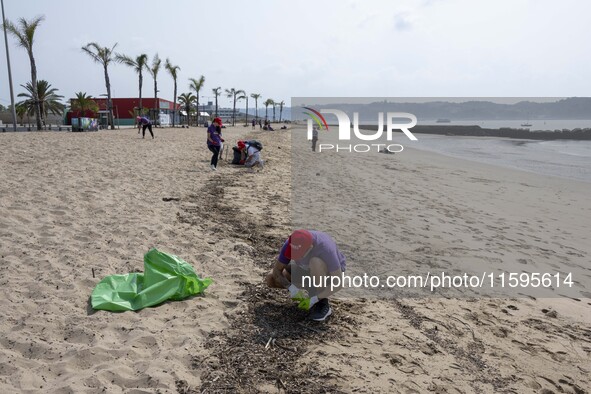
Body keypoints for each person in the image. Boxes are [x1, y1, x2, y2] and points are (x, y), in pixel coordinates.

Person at [266, 230, 346, 321]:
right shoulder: (291, 243)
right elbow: (277, 271)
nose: (295, 257)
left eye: (298, 254)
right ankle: (310, 291)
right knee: (270, 278)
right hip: (306, 271)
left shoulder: (325, 248)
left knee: (315, 262)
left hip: (328, 275)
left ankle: (321, 302)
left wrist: (315, 299)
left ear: (310, 248)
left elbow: (338, 283)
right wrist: (292, 289)